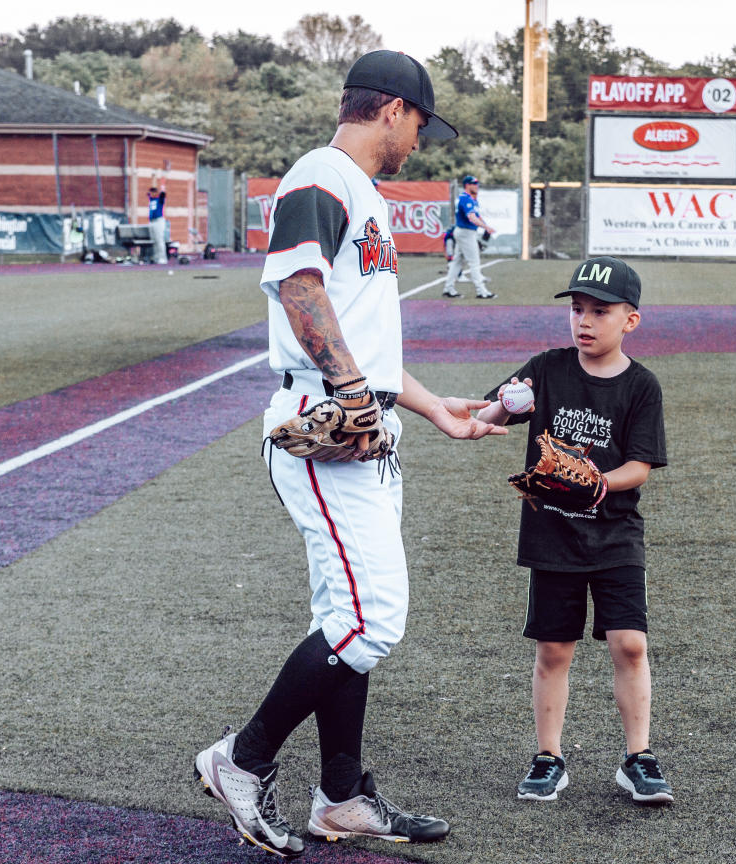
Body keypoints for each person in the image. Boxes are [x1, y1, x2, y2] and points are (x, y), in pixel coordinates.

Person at [193, 49, 507, 858]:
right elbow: (299, 289)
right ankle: (242, 758)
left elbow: (361, 337)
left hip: (356, 419)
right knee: (372, 621)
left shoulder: (358, 190)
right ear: (393, 109)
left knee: (346, 619)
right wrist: (352, 392)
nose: (419, 143)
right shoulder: (321, 176)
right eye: (420, 125)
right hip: (324, 423)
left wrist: (436, 408)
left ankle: (340, 796)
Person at [475, 256, 674, 805]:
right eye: (577, 309)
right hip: (552, 536)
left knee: (630, 645)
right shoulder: (547, 368)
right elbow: (494, 413)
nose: (584, 321)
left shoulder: (641, 386)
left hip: (614, 536)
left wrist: (595, 484)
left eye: (600, 312)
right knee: (554, 650)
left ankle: (638, 757)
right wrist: (483, 414)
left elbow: (641, 466)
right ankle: (549, 757)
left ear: (630, 320)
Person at [442, 174, 496, 299]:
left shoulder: (470, 198)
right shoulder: (465, 198)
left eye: (477, 184)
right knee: (474, 262)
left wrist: (485, 225)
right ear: (467, 185)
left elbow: (477, 216)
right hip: (465, 232)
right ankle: (481, 291)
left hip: (465, 232)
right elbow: (471, 218)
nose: (477, 186)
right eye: (474, 184)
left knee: (457, 262)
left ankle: (448, 288)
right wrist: (485, 227)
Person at [147, 173, 168, 264]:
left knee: (159, 240)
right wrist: (153, 179)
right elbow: (151, 190)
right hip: (152, 221)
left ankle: (162, 258)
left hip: (159, 221)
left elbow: (163, 193)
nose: (152, 193)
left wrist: (162, 184)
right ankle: (156, 257)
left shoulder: (159, 199)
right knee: (154, 241)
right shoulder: (151, 199)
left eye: (154, 191)